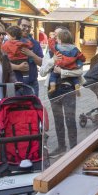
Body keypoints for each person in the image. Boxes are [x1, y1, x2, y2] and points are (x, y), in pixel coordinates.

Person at [39, 29, 84, 157]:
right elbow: (42, 72)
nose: (56, 38)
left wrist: (63, 72)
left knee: (70, 119)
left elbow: (80, 71)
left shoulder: (73, 50)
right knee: (58, 120)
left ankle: (74, 149)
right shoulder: (50, 52)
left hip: (68, 89)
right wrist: (52, 60)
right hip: (52, 90)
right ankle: (61, 147)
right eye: (55, 35)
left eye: (58, 35)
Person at [48, 29, 85, 96]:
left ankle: (52, 86)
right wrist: (82, 60)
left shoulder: (57, 47)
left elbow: (51, 46)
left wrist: (52, 39)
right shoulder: (75, 48)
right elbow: (81, 56)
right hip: (71, 67)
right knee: (74, 77)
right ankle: (77, 85)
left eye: (57, 38)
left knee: (53, 75)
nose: (56, 39)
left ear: (60, 40)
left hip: (60, 65)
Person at [11, 18, 43, 96]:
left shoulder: (35, 43)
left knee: (32, 108)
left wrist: (32, 54)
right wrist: (18, 67)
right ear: (18, 26)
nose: (27, 29)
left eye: (29, 27)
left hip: (31, 84)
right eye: (24, 26)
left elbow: (42, 63)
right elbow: (2, 63)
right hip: (14, 84)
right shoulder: (9, 42)